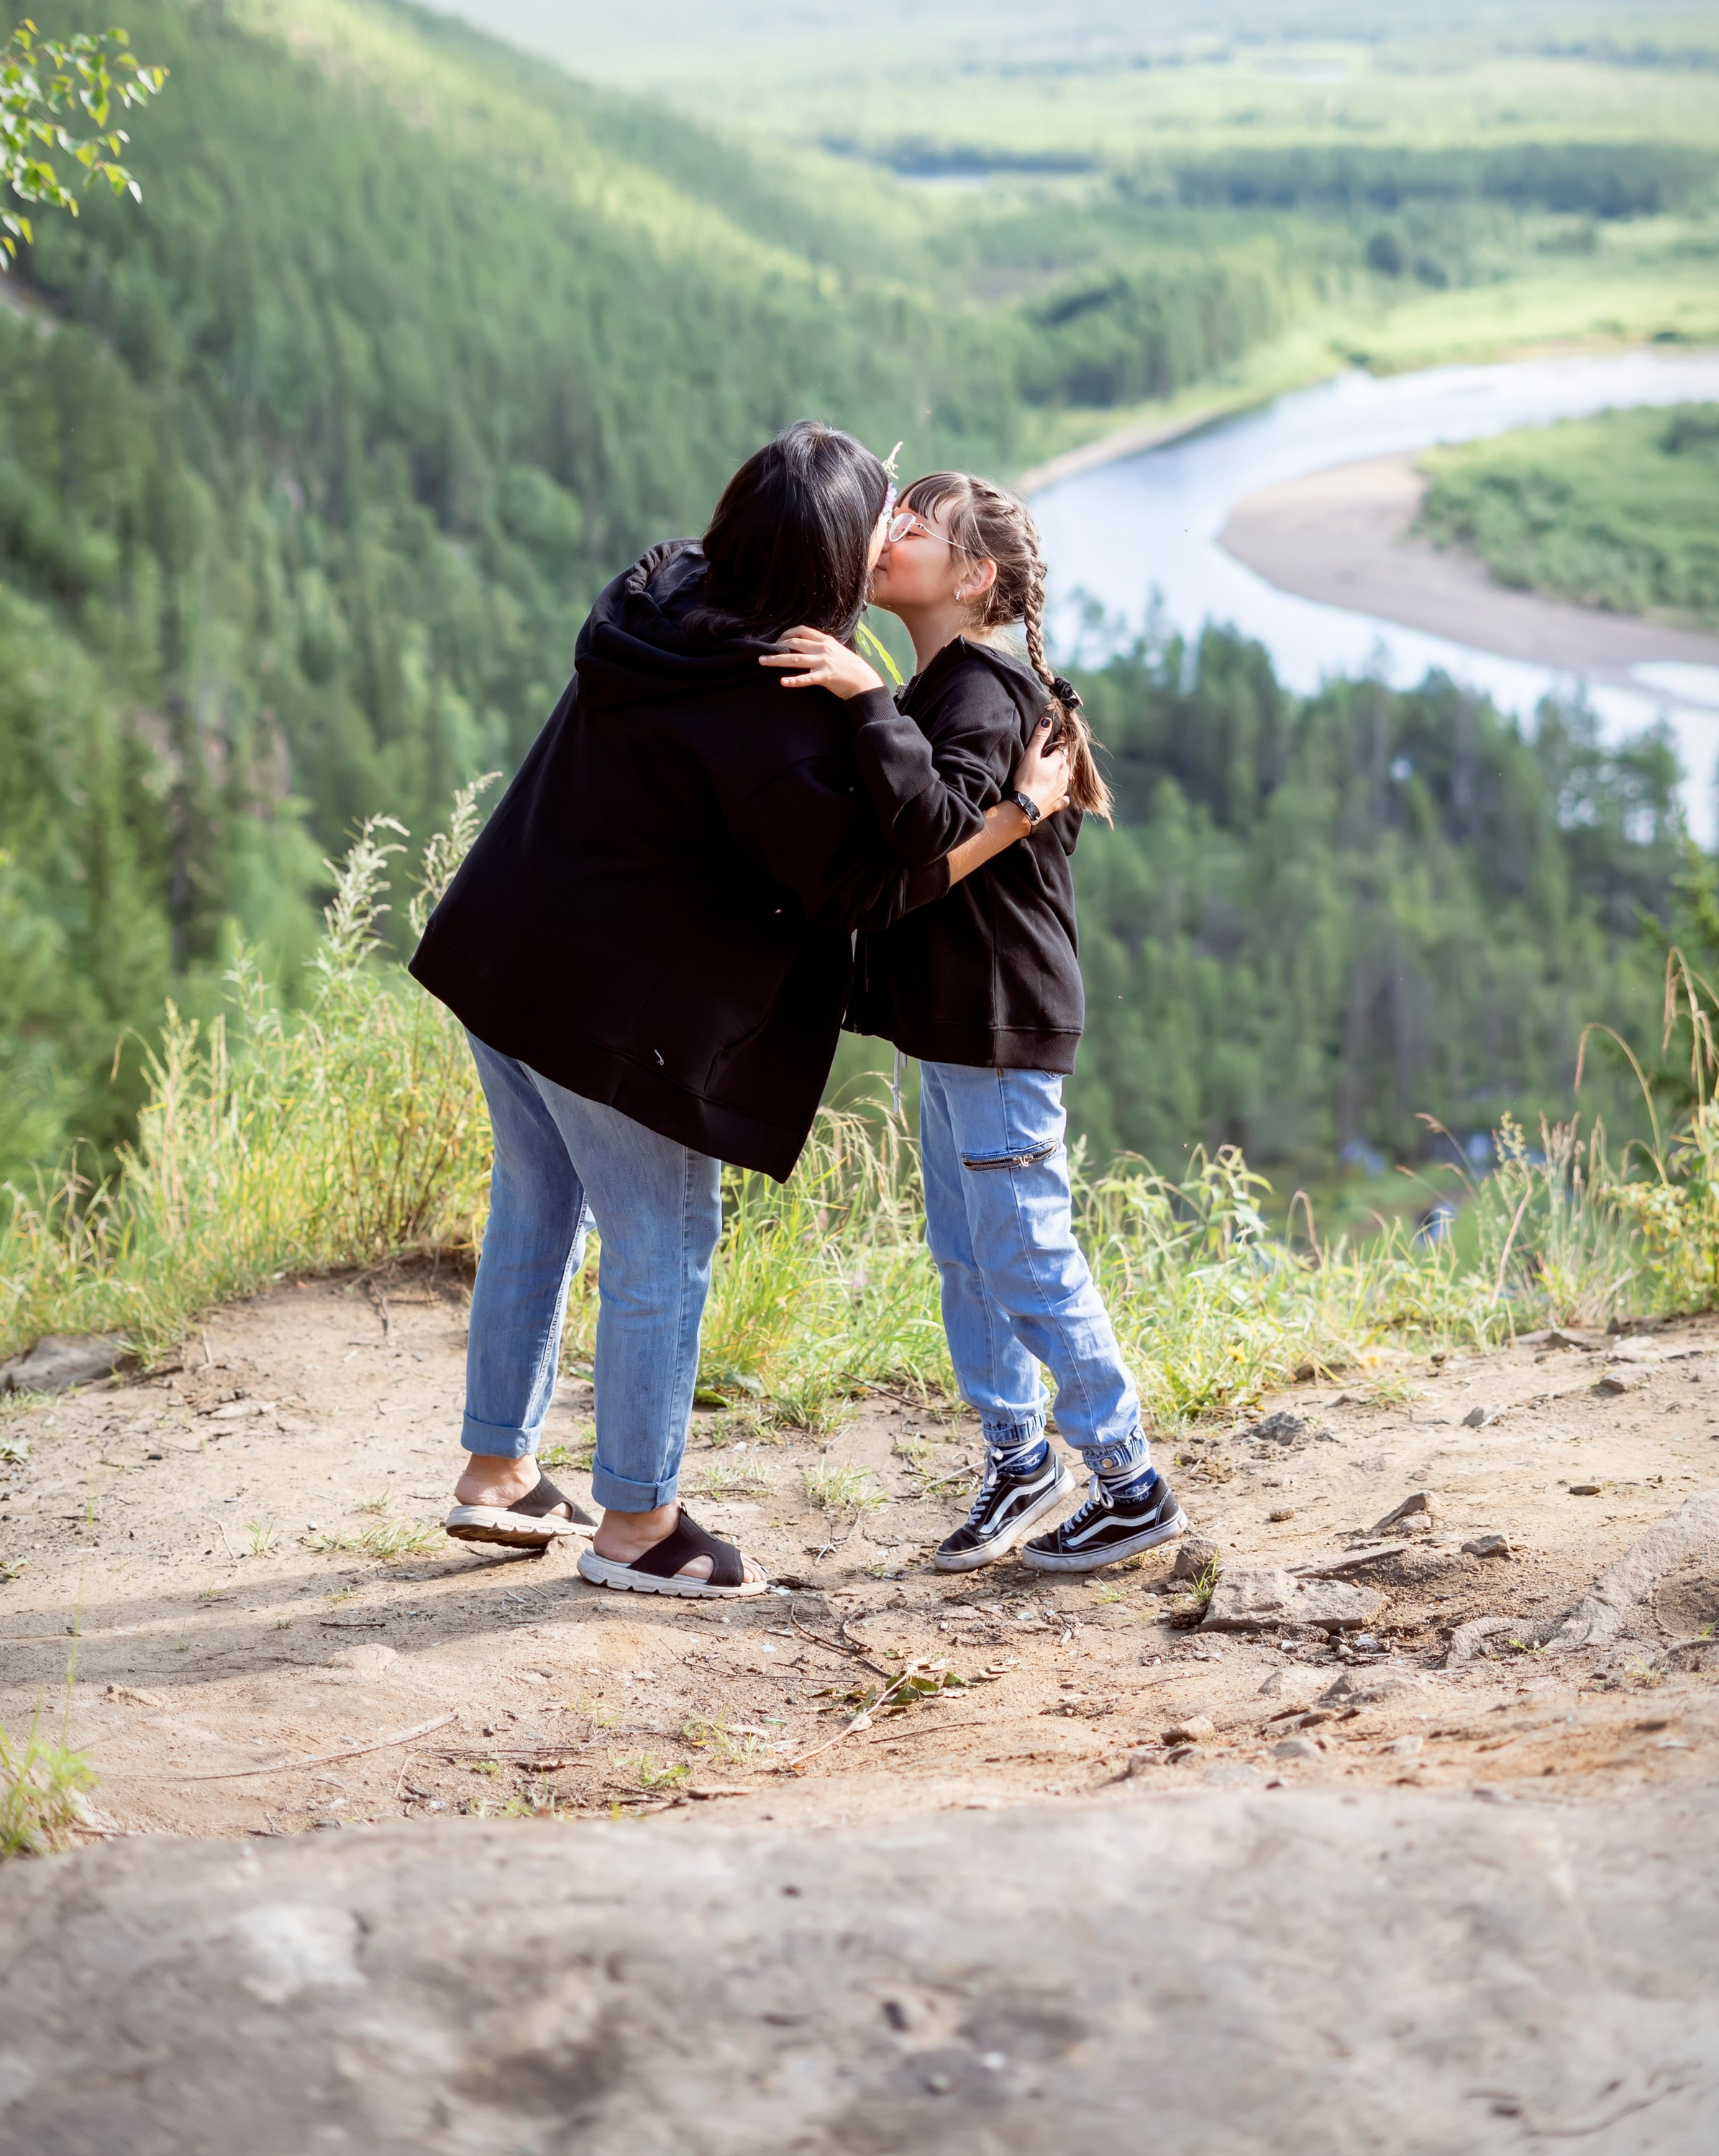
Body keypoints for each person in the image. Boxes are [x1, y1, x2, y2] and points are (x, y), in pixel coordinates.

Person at [410, 422, 1071, 1597]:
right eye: (880, 512)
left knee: (539, 1204)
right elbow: (871, 888)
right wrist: (1015, 815)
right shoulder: (771, 707)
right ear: (823, 554)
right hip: (603, 1015)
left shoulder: (664, 590)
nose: (894, 531)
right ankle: (639, 1529)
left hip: (502, 953)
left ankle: (500, 1470)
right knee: (663, 1242)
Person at [764, 468, 1185, 1573]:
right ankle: (1021, 1457)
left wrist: (861, 693)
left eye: (917, 523)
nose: (888, 527)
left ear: (974, 574)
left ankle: (1130, 1479)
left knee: (1027, 1251)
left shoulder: (984, 690)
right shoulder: (948, 680)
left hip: (1000, 1023)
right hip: (957, 1025)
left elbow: (927, 829)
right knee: (970, 1254)